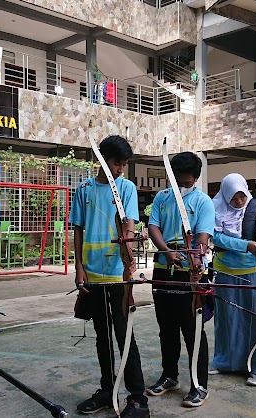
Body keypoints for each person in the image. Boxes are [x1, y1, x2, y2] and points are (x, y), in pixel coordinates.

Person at [71, 135, 149, 418]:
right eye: (117, 163)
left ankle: (138, 398)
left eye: (124, 164)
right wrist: (78, 268)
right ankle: (107, 390)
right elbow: (78, 229)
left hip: (118, 274)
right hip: (92, 275)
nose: (120, 169)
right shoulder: (84, 190)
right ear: (102, 159)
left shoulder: (126, 187)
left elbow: (128, 222)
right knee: (101, 337)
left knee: (125, 335)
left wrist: (127, 251)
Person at [146, 152, 213, 406]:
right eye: (177, 181)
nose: (182, 187)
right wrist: (166, 251)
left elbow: (203, 236)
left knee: (193, 330)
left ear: (195, 178)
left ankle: (199, 384)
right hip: (164, 268)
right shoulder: (162, 197)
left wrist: (194, 256)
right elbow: (154, 227)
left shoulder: (203, 201)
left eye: (186, 183)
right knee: (167, 328)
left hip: (191, 271)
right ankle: (169, 376)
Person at [210, 173, 256, 386]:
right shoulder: (214, 208)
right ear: (225, 194)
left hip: (255, 271)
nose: (239, 201)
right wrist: (245, 245)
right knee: (227, 318)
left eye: (242, 196)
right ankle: (225, 361)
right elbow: (215, 237)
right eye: (234, 197)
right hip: (225, 271)